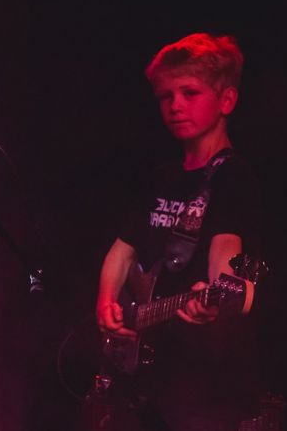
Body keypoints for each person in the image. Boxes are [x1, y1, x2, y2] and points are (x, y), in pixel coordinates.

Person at [92, 33, 263, 431]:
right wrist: (106, 305)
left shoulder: (235, 179)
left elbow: (230, 256)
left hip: (203, 384)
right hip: (150, 380)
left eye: (190, 93)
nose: (175, 106)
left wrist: (222, 291)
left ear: (227, 101)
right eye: (165, 97)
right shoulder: (160, 179)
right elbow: (122, 251)